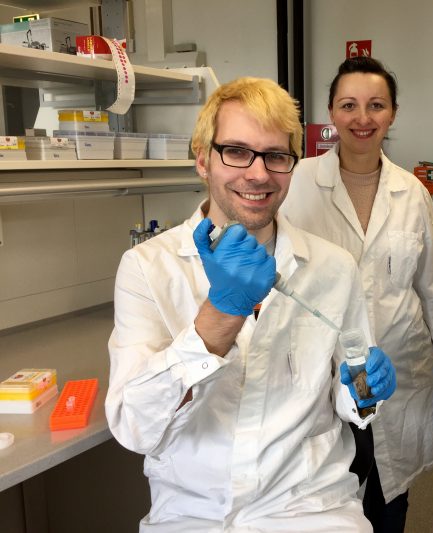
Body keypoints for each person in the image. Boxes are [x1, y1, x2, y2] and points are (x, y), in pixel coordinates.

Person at [105, 76, 398, 532]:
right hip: (192, 513)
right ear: (203, 159)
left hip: (311, 508)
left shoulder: (333, 267)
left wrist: (365, 390)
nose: (258, 174)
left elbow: (351, 389)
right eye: (237, 151)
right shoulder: (148, 268)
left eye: (276, 156)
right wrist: (221, 313)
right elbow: (135, 427)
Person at [281, 56, 433, 532]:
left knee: (389, 500)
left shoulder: (412, 192)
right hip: (318, 373)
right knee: (326, 503)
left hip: (398, 371)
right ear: (331, 113)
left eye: (376, 105)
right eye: (348, 105)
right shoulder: (298, 184)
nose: (362, 118)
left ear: (392, 114)